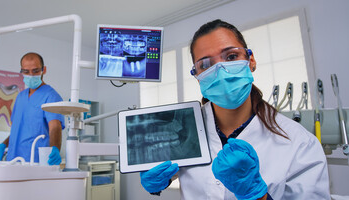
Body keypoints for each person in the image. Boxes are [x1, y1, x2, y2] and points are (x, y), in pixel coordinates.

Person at [140, 20, 330, 199]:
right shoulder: (181, 127)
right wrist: (160, 181)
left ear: (251, 60)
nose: (220, 70)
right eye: (205, 64)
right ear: (197, 76)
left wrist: (256, 195)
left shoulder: (299, 142)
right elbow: (176, 171)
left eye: (231, 57)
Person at [0, 52, 65, 165]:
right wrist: (4, 144)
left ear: (44, 70)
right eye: (26, 71)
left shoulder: (51, 96)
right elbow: (19, 131)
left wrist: (55, 148)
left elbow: (55, 128)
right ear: (21, 71)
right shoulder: (20, 96)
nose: (31, 75)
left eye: (35, 71)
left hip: (35, 162)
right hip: (13, 161)